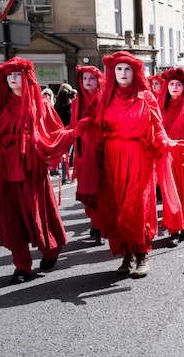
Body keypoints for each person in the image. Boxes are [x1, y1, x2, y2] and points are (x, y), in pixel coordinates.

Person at [0, 57, 90, 283]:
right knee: (11, 218)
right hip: (5, 169)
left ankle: (51, 249)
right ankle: (21, 267)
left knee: (39, 213)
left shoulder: (42, 104)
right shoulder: (0, 104)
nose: (12, 79)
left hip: (32, 170)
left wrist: (73, 132)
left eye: (17, 74)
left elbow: (55, 132)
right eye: (9, 75)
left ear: (27, 76)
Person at [98, 51, 181, 277]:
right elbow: (98, 129)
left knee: (137, 207)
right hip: (113, 157)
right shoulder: (105, 97)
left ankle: (143, 253)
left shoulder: (147, 97)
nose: (123, 73)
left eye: (127, 69)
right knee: (117, 207)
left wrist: (166, 141)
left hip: (138, 155)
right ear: (112, 72)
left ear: (134, 72)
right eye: (118, 69)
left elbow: (158, 127)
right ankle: (126, 255)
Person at [158, 67, 184, 247]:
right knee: (171, 191)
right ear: (166, 86)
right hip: (168, 153)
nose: (174, 87)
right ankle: (174, 230)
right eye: (171, 84)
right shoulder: (160, 108)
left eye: (178, 84)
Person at [70, 65, 104, 244]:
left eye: (92, 78)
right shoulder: (77, 102)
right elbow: (72, 126)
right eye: (85, 78)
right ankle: (96, 223)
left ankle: (99, 225)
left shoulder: (104, 99)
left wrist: (92, 122)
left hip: (101, 150)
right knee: (87, 191)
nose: (88, 82)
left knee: (100, 190)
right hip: (83, 151)